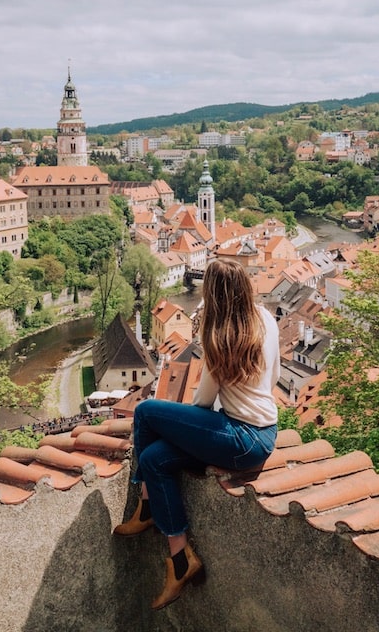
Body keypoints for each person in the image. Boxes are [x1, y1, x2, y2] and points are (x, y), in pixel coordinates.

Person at [114, 259, 280, 610]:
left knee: (145, 412)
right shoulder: (266, 320)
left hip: (239, 437)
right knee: (154, 459)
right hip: (264, 434)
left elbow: (203, 403)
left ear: (213, 295)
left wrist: (182, 420)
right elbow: (275, 375)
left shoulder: (218, 336)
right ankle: (180, 561)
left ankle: (144, 505)